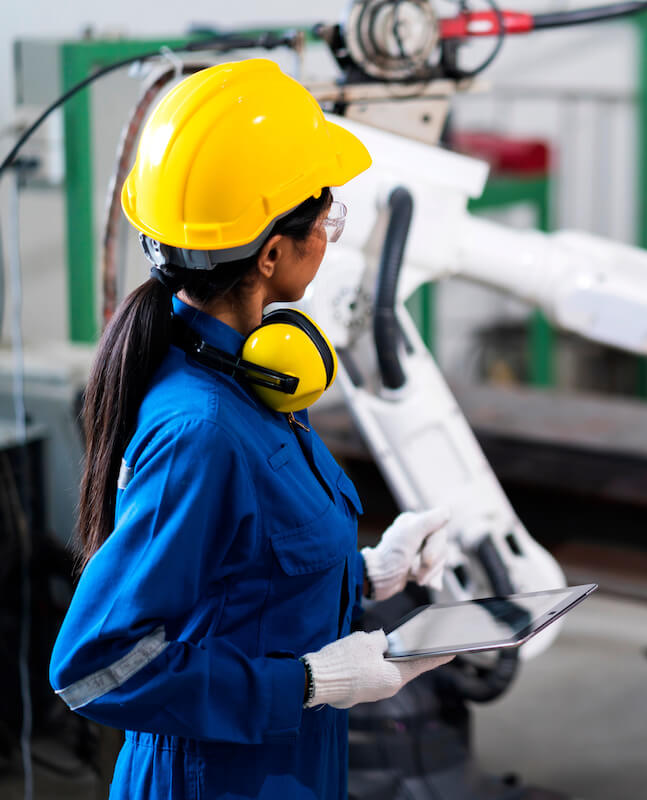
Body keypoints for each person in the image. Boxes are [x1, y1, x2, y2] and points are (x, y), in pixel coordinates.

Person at [49, 59, 455, 799]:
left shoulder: (250, 379)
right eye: (326, 219)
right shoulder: (201, 429)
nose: (330, 235)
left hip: (285, 768)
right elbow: (93, 667)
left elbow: (240, 577)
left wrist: (369, 573)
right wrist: (307, 682)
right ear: (272, 254)